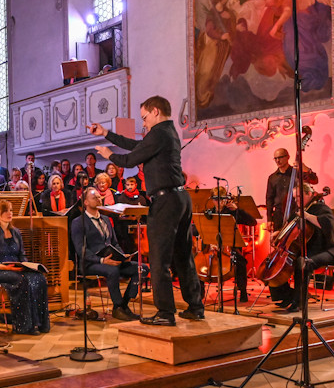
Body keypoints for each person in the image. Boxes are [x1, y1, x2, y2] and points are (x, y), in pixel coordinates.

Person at [91, 95, 205, 326]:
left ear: (155, 112)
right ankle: (195, 306)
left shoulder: (159, 133)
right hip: (180, 198)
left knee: (159, 258)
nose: (143, 122)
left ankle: (165, 313)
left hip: (166, 201)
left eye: (144, 117)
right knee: (183, 256)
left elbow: (130, 159)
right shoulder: (167, 132)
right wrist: (106, 133)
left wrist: (108, 154)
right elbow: (136, 146)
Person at [71, 188, 141, 321]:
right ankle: (118, 307)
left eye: (99, 197)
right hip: (91, 263)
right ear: (85, 202)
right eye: (94, 197)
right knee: (112, 270)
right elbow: (81, 250)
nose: (99, 199)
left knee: (141, 268)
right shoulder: (78, 222)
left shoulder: (106, 219)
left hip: (112, 260)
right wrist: (102, 260)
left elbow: (114, 243)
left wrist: (122, 256)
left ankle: (123, 305)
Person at [0, 200, 50, 335]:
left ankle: (40, 323)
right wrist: (8, 268)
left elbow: (22, 255)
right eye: (6, 211)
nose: (10, 213)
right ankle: (24, 325)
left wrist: (26, 266)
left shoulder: (16, 232)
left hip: (17, 269)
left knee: (39, 278)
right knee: (22, 280)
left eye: (11, 210)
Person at [265, 147, 319, 305]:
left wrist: (303, 166)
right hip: (279, 217)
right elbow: (269, 199)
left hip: (296, 217)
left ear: (287, 157)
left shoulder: (296, 173)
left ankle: (299, 293)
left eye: (280, 157)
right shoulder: (272, 178)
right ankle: (284, 294)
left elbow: (314, 180)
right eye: (275, 158)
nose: (278, 161)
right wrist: (269, 219)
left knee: (295, 255)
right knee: (279, 256)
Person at [282, 183, 334, 312]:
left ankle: (299, 302)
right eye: (295, 198)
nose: (296, 200)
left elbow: (329, 224)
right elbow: (287, 228)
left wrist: (307, 216)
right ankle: (286, 296)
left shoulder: (321, 208)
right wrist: (278, 234)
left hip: (327, 250)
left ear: (309, 194)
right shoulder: (298, 211)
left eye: (299, 197)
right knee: (283, 264)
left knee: (302, 262)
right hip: (308, 250)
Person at [205, 186, 257, 303]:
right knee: (197, 261)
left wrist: (238, 210)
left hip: (230, 248)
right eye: (216, 199)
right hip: (213, 247)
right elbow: (200, 230)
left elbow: (252, 222)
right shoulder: (210, 213)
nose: (219, 202)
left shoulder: (231, 212)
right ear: (212, 200)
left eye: (221, 199)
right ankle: (200, 292)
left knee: (241, 262)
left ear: (226, 199)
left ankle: (242, 291)